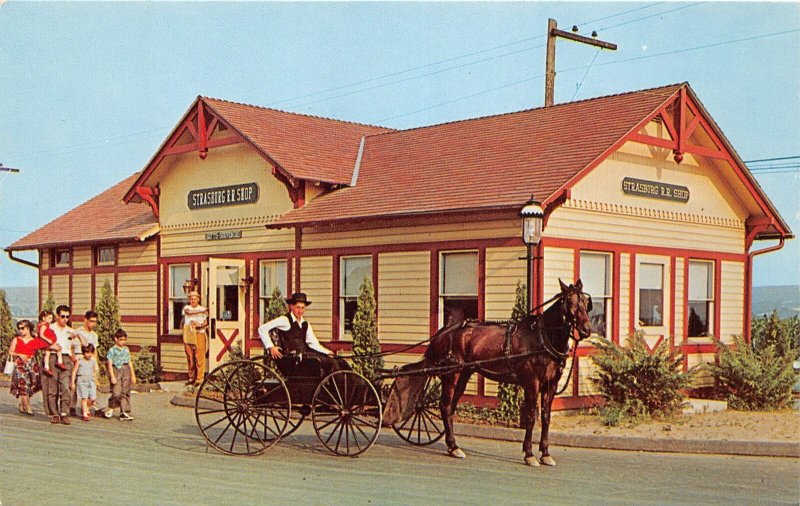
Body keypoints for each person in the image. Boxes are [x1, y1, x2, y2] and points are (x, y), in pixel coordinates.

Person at [258, 292, 348, 375]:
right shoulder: (285, 320)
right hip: (293, 360)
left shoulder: (305, 324)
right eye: (298, 307)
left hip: (307, 356)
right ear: (291, 306)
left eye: (303, 308)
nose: (300, 311)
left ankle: (354, 387)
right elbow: (262, 329)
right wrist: (270, 347)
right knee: (332, 363)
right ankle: (340, 389)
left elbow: (314, 344)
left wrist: (327, 352)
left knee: (339, 361)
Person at [45, 305, 76, 425]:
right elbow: (41, 344)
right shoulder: (50, 328)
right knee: (53, 387)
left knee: (65, 387)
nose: (65, 319)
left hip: (66, 358)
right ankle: (54, 414)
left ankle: (64, 413)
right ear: (57, 316)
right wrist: (51, 346)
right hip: (53, 357)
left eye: (67, 317)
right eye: (62, 316)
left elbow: (72, 347)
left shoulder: (70, 331)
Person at [8, 320, 43, 416]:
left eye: (22, 328)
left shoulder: (34, 340)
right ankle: (28, 408)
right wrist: (19, 354)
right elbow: (11, 352)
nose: (20, 330)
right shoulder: (16, 339)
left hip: (32, 364)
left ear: (28, 328)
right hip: (20, 364)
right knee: (23, 385)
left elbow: (44, 345)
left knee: (32, 385)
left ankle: (23, 403)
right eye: (19, 328)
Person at [70, 310, 99, 415]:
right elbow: (70, 347)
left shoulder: (94, 335)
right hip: (78, 358)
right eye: (91, 321)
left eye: (95, 321)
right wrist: (73, 358)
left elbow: (95, 351)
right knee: (75, 384)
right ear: (85, 320)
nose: (93, 324)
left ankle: (85, 407)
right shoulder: (78, 332)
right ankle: (72, 406)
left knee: (90, 385)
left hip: (90, 360)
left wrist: (96, 364)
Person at [105, 329, 137, 421]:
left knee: (125, 391)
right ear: (116, 339)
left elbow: (129, 362)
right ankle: (111, 406)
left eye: (124, 340)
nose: (123, 342)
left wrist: (133, 375)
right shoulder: (112, 350)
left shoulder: (126, 349)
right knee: (116, 392)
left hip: (126, 369)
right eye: (121, 339)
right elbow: (110, 364)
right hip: (116, 369)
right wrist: (112, 376)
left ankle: (123, 411)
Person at [182, 291, 208, 385]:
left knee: (199, 356)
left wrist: (200, 324)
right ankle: (191, 377)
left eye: (195, 298)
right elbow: (188, 313)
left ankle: (199, 379)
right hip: (189, 333)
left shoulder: (202, 308)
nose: (193, 300)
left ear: (198, 299)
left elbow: (205, 322)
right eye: (191, 298)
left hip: (199, 333)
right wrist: (201, 312)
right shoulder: (187, 307)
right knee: (190, 356)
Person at [71, 343, 98, 421]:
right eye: (87, 352)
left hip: (91, 380)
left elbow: (95, 371)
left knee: (93, 398)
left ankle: (86, 407)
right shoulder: (80, 362)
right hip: (82, 380)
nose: (89, 354)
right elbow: (74, 372)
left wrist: (96, 379)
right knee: (84, 398)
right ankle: (85, 414)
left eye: (91, 353)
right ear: (83, 353)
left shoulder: (93, 361)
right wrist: (72, 382)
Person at [37, 310, 65, 376]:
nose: (50, 320)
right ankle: (59, 361)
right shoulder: (44, 326)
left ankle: (46, 367)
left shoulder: (44, 325)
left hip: (45, 343)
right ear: (44, 318)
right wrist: (48, 340)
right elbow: (41, 335)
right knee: (59, 348)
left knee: (47, 353)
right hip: (45, 342)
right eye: (49, 318)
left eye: (51, 318)